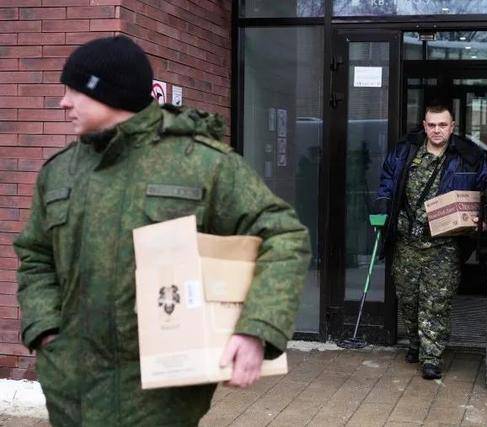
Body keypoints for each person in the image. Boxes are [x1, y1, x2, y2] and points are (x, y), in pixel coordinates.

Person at [13, 36, 310, 426]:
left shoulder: (201, 163)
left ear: (108, 92)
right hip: (70, 386)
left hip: (161, 393)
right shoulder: (59, 172)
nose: (62, 102)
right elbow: (36, 254)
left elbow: (284, 237)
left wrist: (256, 329)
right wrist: (46, 330)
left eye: (73, 90)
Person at [375, 103, 487, 380]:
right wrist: (383, 207)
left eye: (443, 125)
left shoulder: (469, 156)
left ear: (452, 127)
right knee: (408, 298)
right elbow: (387, 180)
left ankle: (431, 356)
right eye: (432, 125)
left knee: (436, 301)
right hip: (407, 240)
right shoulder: (405, 151)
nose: (437, 130)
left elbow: (486, 188)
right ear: (424, 126)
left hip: (444, 244)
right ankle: (415, 343)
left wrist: (483, 216)